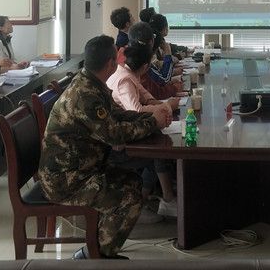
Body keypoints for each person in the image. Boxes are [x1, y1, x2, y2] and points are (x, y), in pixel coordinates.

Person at [39, 35, 171, 259]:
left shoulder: (91, 82)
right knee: (129, 197)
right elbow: (114, 135)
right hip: (67, 180)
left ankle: (99, 249)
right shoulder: (86, 95)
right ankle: (96, 256)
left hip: (83, 168)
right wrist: (153, 123)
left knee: (134, 181)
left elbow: (117, 115)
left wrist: (150, 117)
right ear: (111, 63)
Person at [106, 22, 179, 217]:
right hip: (118, 143)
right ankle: (153, 202)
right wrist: (166, 107)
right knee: (159, 153)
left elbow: (147, 97)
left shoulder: (128, 73)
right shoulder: (124, 79)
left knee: (159, 149)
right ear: (145, 66)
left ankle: (156, 199)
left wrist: (161, 105)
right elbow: (136, 110)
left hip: (128, 130)